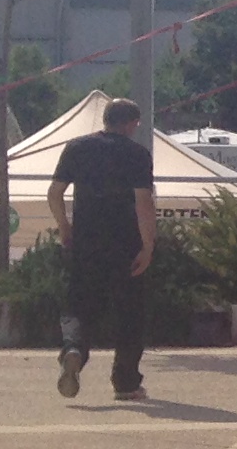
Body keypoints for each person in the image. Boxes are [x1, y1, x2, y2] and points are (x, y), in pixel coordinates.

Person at [49, 99, 157, 402]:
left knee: (79, 305)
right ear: (132, 123)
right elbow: (143, 202)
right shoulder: (137, 154)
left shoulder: (77, 148)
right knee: (129, 312)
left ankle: (73, 350)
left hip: (85, 241)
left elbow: (55, 193)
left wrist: (64, 227)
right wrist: (148, 245)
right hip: (125, 243)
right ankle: (125, 383)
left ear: (106, 119)